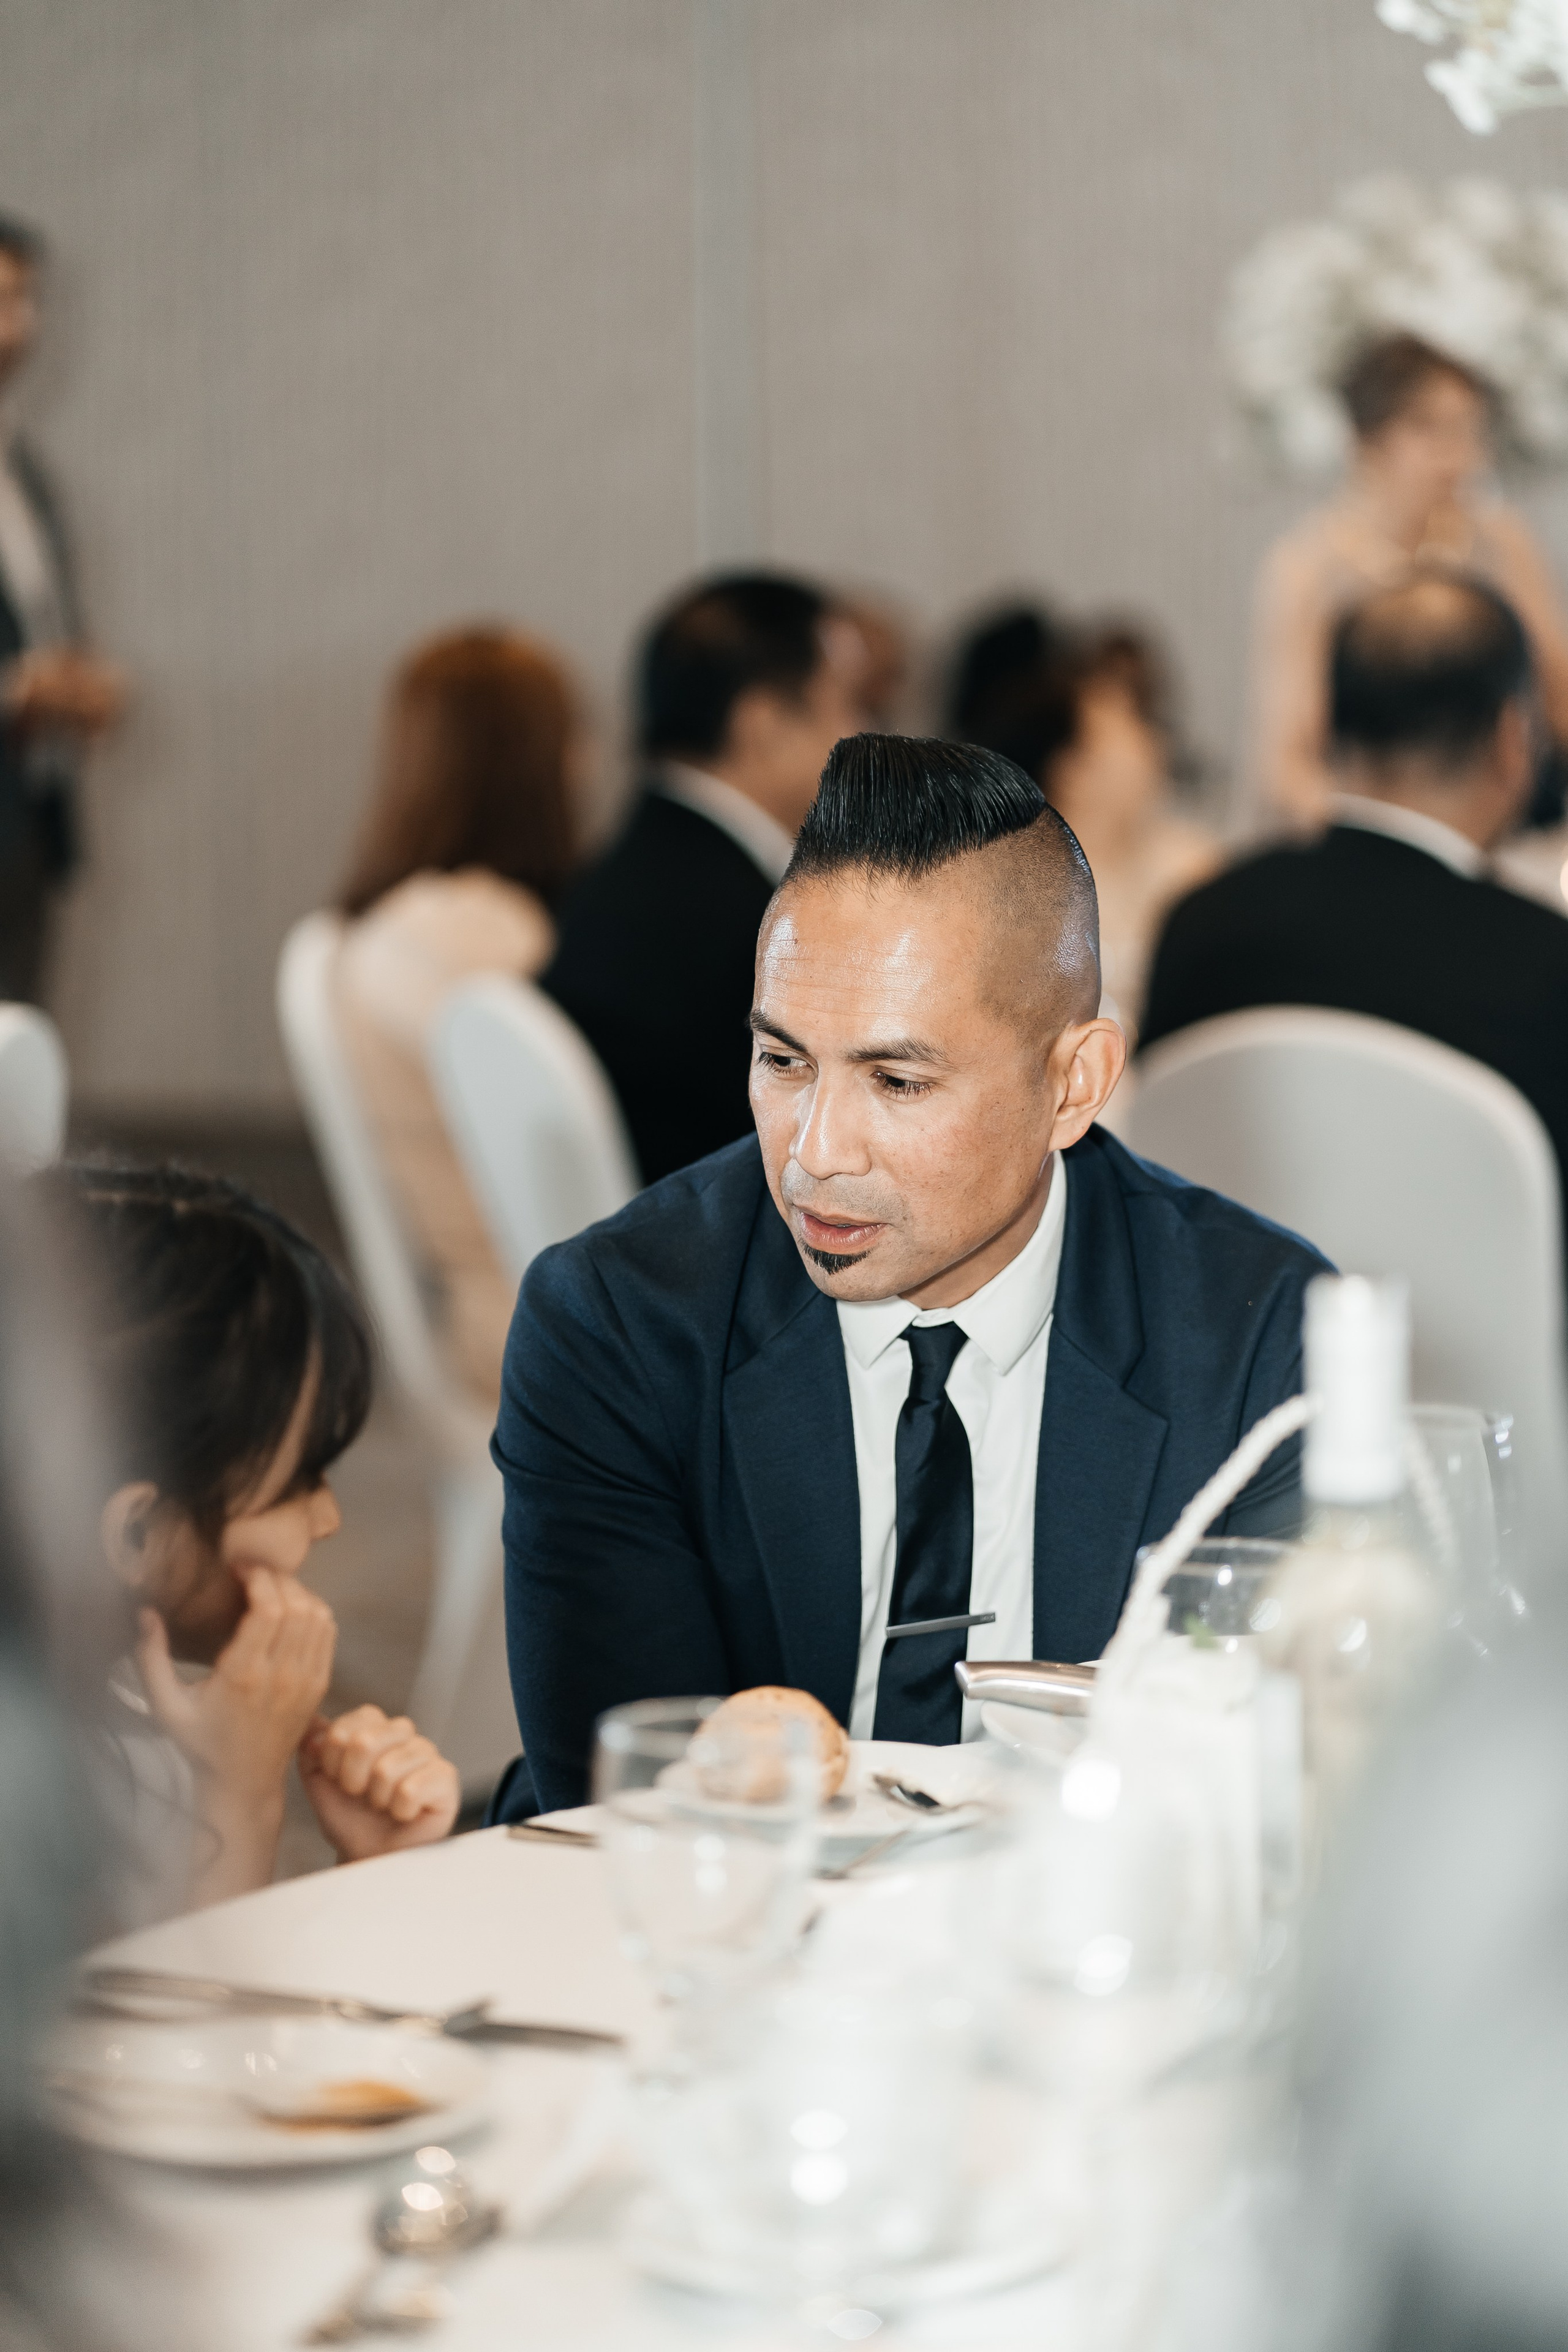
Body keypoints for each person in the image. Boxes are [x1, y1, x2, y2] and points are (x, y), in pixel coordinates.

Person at [493, 734, 1329, 1814]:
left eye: (896, 1080)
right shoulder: (620, 1327)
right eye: (784, 1060)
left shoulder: (1254, 1346)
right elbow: (629, 1800)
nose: (816, 1153)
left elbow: (1283, 1787)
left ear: (1074, 1085)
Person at [43, 1163, 461, 1919]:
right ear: (137, 1533)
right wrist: (240, 1797)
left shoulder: (115, 1702)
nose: (328, 1517)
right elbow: (176, 2027)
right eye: (302, 1478)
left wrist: (369, 1867)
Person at [1142, 571, 1568, 1238]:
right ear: (1513, 739)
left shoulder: (1199, 923)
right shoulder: (1546, 966)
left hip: (1225, 1334)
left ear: (1325, 728)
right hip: (1494, 1345)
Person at [541, 571, 867, 1184]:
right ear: (766, 723)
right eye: (847, 701)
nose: (862, 731)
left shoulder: (629, 874)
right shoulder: (746, 924)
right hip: (739, 1254)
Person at [336, 626, 579, 1404]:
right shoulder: (488, 934)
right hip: (544, 1312)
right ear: (540, 760)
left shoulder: (390, 924)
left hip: (476, 1298)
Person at [1250, 329, 1568, 834]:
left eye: (1470, 432)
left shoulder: (1503, 544)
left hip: (1506, 828)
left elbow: (1557, 696)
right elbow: (1286, 762)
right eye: (1430, 429)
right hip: (1363, 834)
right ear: (1367, 438)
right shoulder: (1309, 568)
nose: (1458, 456)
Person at [952, 609, 1220, 1038]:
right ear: (1069, 768)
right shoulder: (1014, 885)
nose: (1153, 740)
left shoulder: (1192, 860)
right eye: (1127, 728)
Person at [0, 213, 126, 1002]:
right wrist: (17, 690)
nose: (19, 326)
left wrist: (77, 685)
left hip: (28, 816)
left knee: (19, 1076)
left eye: (24, 299)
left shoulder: (24, 469)